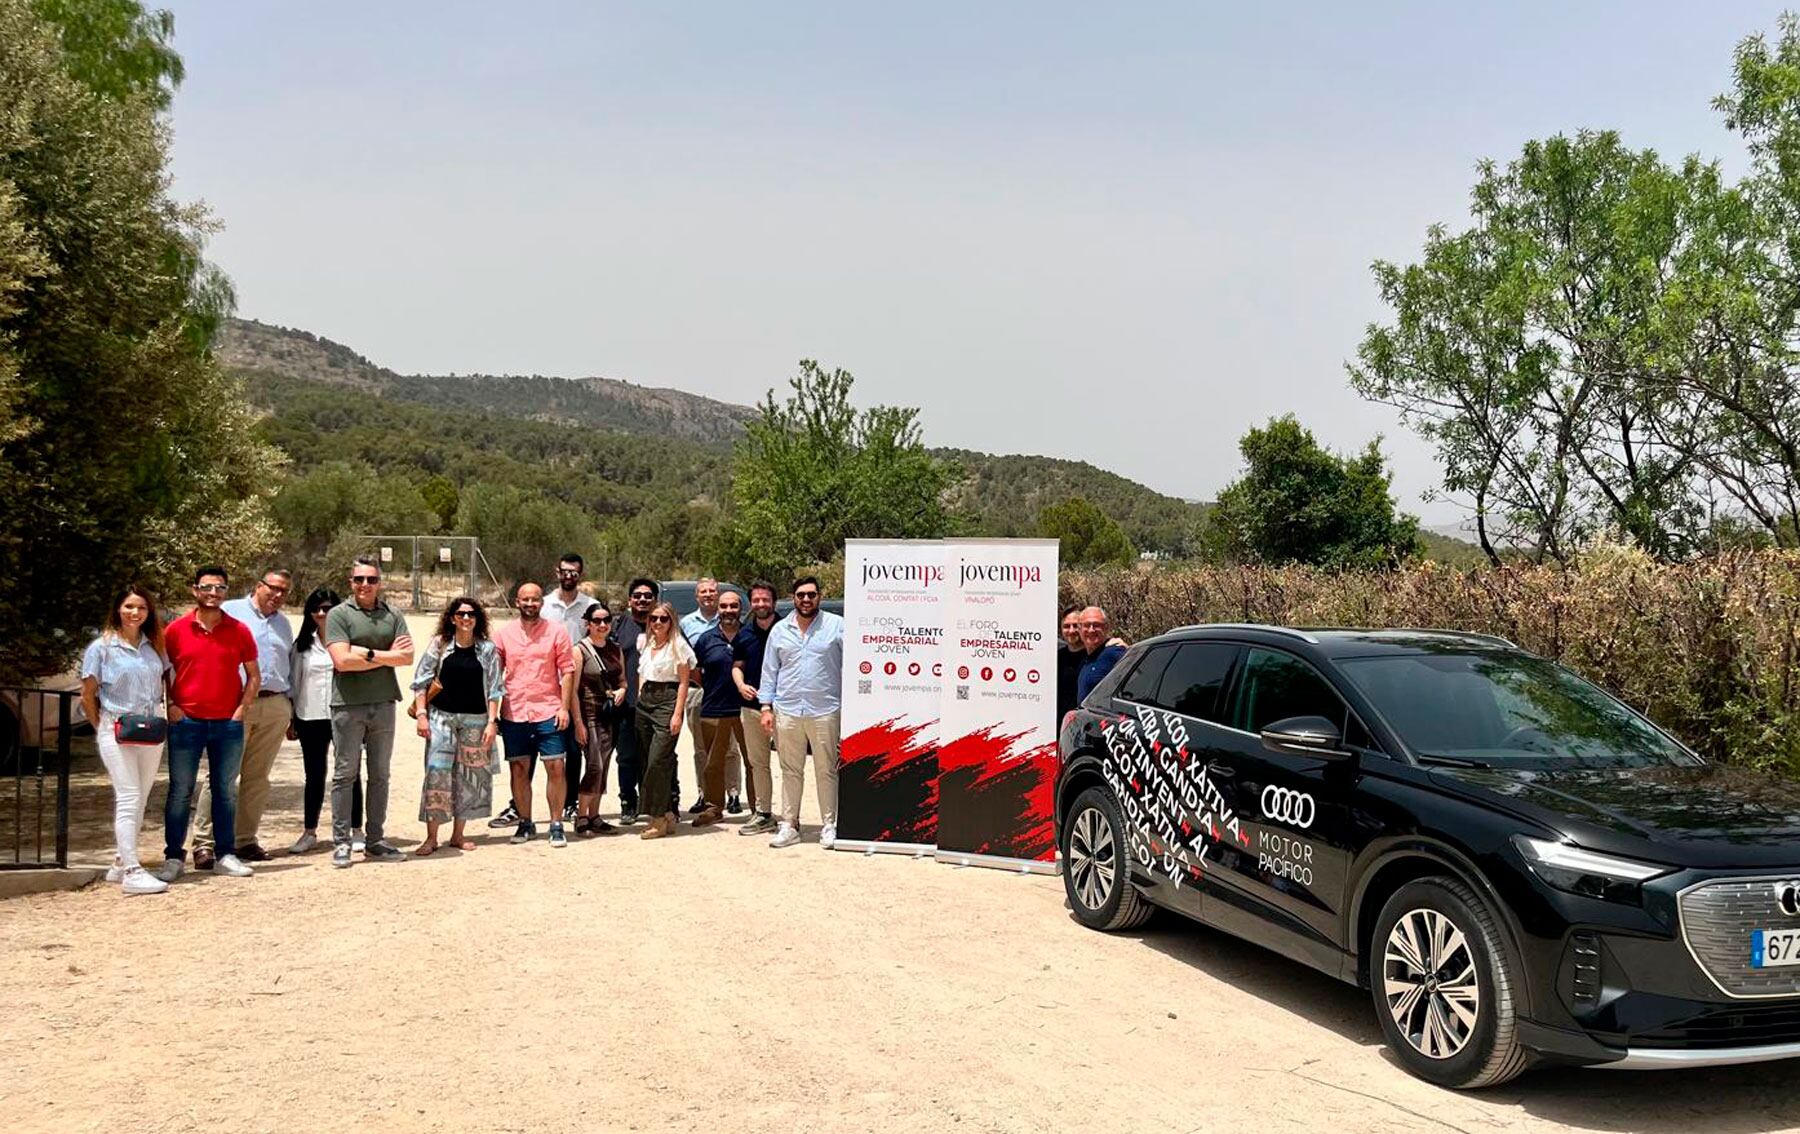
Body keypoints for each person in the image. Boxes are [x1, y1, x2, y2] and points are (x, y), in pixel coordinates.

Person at [158, 566, 261, 881]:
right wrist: (172, 705)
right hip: (186, 722)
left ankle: (225, 854)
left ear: (226, 592)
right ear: (195, 590)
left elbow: (254, 675)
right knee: (180, 791)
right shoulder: (175, 630)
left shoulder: (239, 629)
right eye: (207, 587)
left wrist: (242, 708)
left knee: (225, 791)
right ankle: (174, 857)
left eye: (220, 588)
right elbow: (162, 671)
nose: (213, 594)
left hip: (227, 723)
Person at [189, 568, 293, 865]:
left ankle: (244, 839)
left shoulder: (283, 624)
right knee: (222, 776)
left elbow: (287, 665)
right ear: (258, 585)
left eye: (284, 591)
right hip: (235, 705)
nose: (277, 595)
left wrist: (291, 710)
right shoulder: (228, 611)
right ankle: (204, 843)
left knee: (258, 779)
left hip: (274, 706)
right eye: (272, 588)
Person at [79, 585, 172, 895]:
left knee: (142, 796)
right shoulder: (101, 648)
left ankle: (121, 862)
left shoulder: (155, 646)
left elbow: (165, 682)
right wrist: (103, 726)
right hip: (116, 729)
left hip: (151, 730)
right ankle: (133, 871)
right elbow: (88, 695)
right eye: (129, 607)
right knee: (129, 796)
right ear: (118, 609)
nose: (135, 613)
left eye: (141, 608)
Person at [324, 556, 415, 868]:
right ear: (351, 582)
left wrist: (370, 652)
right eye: (359, 579)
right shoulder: (338, 614)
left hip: (384, 702)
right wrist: (388, 656)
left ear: (380, 582)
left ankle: (375, 839)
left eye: (371, 580)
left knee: (380, 775)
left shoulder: (393, 614)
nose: (365, 585)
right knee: (345, 774)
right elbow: (341, 661)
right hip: (348, 704)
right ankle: (342, 842)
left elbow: (407, 658)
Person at [410, 596, 503, 856]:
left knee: (469, 779)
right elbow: (421, 681)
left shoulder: (487, 649)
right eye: (460, 614)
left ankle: (458, 835)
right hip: (442, 718)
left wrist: (492, 723)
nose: (466, 618)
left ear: (478, 618)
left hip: (476, 720)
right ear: (452, 618)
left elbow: (495, 689)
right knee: (436, 773)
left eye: (471, 614)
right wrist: (421, 714)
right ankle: (431, 837)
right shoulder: (439, 645)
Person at [758, 576, 844, 850]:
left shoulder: (837, 626)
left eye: (811, 594)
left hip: (825, 709)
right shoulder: (780, 630)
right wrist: (765, 707)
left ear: (819, 596)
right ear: (793, 598)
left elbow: (851, 666)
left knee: (826, 769)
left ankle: (829, 825)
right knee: (790, 770)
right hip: (788, 710)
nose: (806, 600)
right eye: (800, 595)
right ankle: (789, 825)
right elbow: (769, 671)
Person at [493, 581, 577, 847]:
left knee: (556, 766)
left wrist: (564, 708)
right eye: (525, 599)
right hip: (514, 711)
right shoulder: (503, 634)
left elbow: (567, 671)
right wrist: (493, 714)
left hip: (548, 710)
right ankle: (525, 823)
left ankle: (555, 825)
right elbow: (495, 675)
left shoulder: (556, 632)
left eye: (535, 599)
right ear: (517, 602)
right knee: (518, 769)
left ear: (542, 603)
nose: (530, 604)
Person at [286, 587, 361, 855]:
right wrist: (291, 718)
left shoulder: (349, 641)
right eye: (315, 609)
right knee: (315, 775)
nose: (321, 614)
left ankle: (356, 830)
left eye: (327, 608)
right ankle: (309, 832)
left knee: (350, 773)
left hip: (345, 715)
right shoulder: (302, 646)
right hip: (311, 716)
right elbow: (294, 682)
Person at [541, 552, 597, 821]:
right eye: (565, 571)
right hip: (545, 684)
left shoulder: (591, 606)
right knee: (543, 747)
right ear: (557, 572)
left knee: (575, 746)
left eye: (574, 572)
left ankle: (571, 801)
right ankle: (519, 806)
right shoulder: (543, 605)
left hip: (579, 686)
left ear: (580, 575)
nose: (569, 576)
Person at [598, 576, 658, 824]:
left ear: (655, 599)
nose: (642, 599)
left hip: (657, 704)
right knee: (627, 756)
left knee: (658, 755)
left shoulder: (663, 623)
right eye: (637, 595)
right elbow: (605, 661)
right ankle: (628, 802)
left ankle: (660, 801)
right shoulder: (619, 625)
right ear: (630, 599)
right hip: (627, 703)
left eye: (647, 596)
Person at [635, 600, 694, 840]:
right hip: (645, 701)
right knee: (649, 759)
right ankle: (667, 813)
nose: (658, 623)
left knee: (657, 761)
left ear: (672, 621)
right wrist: (640, 694)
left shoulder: (678, 646)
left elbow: (683, 682)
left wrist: (677, 713)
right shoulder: (647, 643)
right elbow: (642, 673)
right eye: (654, 618)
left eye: (663, 619)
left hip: (667, 700)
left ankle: (656, 818)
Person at [680, 577, 737, 813]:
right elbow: (685, 660)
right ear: (697, 596)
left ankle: (733, 793)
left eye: (712, 591)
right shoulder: (685, 624)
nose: (708, 595)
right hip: (698, 691)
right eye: (703, 591)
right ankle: (705, 793)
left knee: (731, 746)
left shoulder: (730, 620)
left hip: (727, 691)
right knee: (701, 747)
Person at [690, 589, 746, 826]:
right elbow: (695, 669)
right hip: (714, 706)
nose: (728, 611)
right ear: (718, 609)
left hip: (747, 709)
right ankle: (713, 807)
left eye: (733, 606)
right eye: (724, 607)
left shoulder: (751, 635)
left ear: (740, 608)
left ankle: (759, 809)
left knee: (754, 760)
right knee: (713, 761)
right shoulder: (706, 639)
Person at [572, 601, 625, 835]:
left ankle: (595, 815)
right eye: (597, 621)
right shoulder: (580, 650)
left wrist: (622, 691)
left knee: (603, 765)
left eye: (606, 620)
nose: (602, 625)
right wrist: (578, 724)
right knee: (593, 764)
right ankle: (581, 815)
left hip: (609, 715)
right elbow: (572, 691)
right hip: (588, 713)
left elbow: (622, 681)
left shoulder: (616, 649)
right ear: (588, 624)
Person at [731, 581, 779, 835]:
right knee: (758, 762)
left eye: (765, 599)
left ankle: (791, 817)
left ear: (774, 601)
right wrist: (740, 685)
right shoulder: (745, 633)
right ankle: (764, 813)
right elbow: (737, 665)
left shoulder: (786, 629)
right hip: (750, 708)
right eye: (756, 600)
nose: (761, 604)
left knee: (791, 765)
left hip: (784, 709)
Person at [1075, 606, 1129, 703]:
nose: (1091, 630)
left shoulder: (1113, 652)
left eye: (1096, 625)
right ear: (1079, 629)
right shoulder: (1084, 661)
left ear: (1106, 627)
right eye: (1086, 625)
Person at [1056, 605, 1085, 721]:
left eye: (1076, 626)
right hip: (1059, 725)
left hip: (1085, 724)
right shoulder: (1057, 657)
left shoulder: (1096, 655)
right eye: (1067, 626)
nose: (1071, 631)